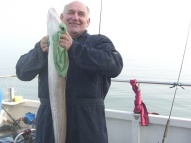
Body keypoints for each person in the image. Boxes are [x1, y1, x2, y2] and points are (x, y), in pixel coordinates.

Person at [16, 1, 123, 143]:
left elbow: (115, 65)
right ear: (62, 17)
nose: (75, 17)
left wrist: (74, 48)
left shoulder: (98, 42)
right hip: (49, 121)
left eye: (81, 14)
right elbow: (21, 72)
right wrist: (39, 53)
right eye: (71, 12)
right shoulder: (46, 45)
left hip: (88, 124)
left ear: (88, 21)